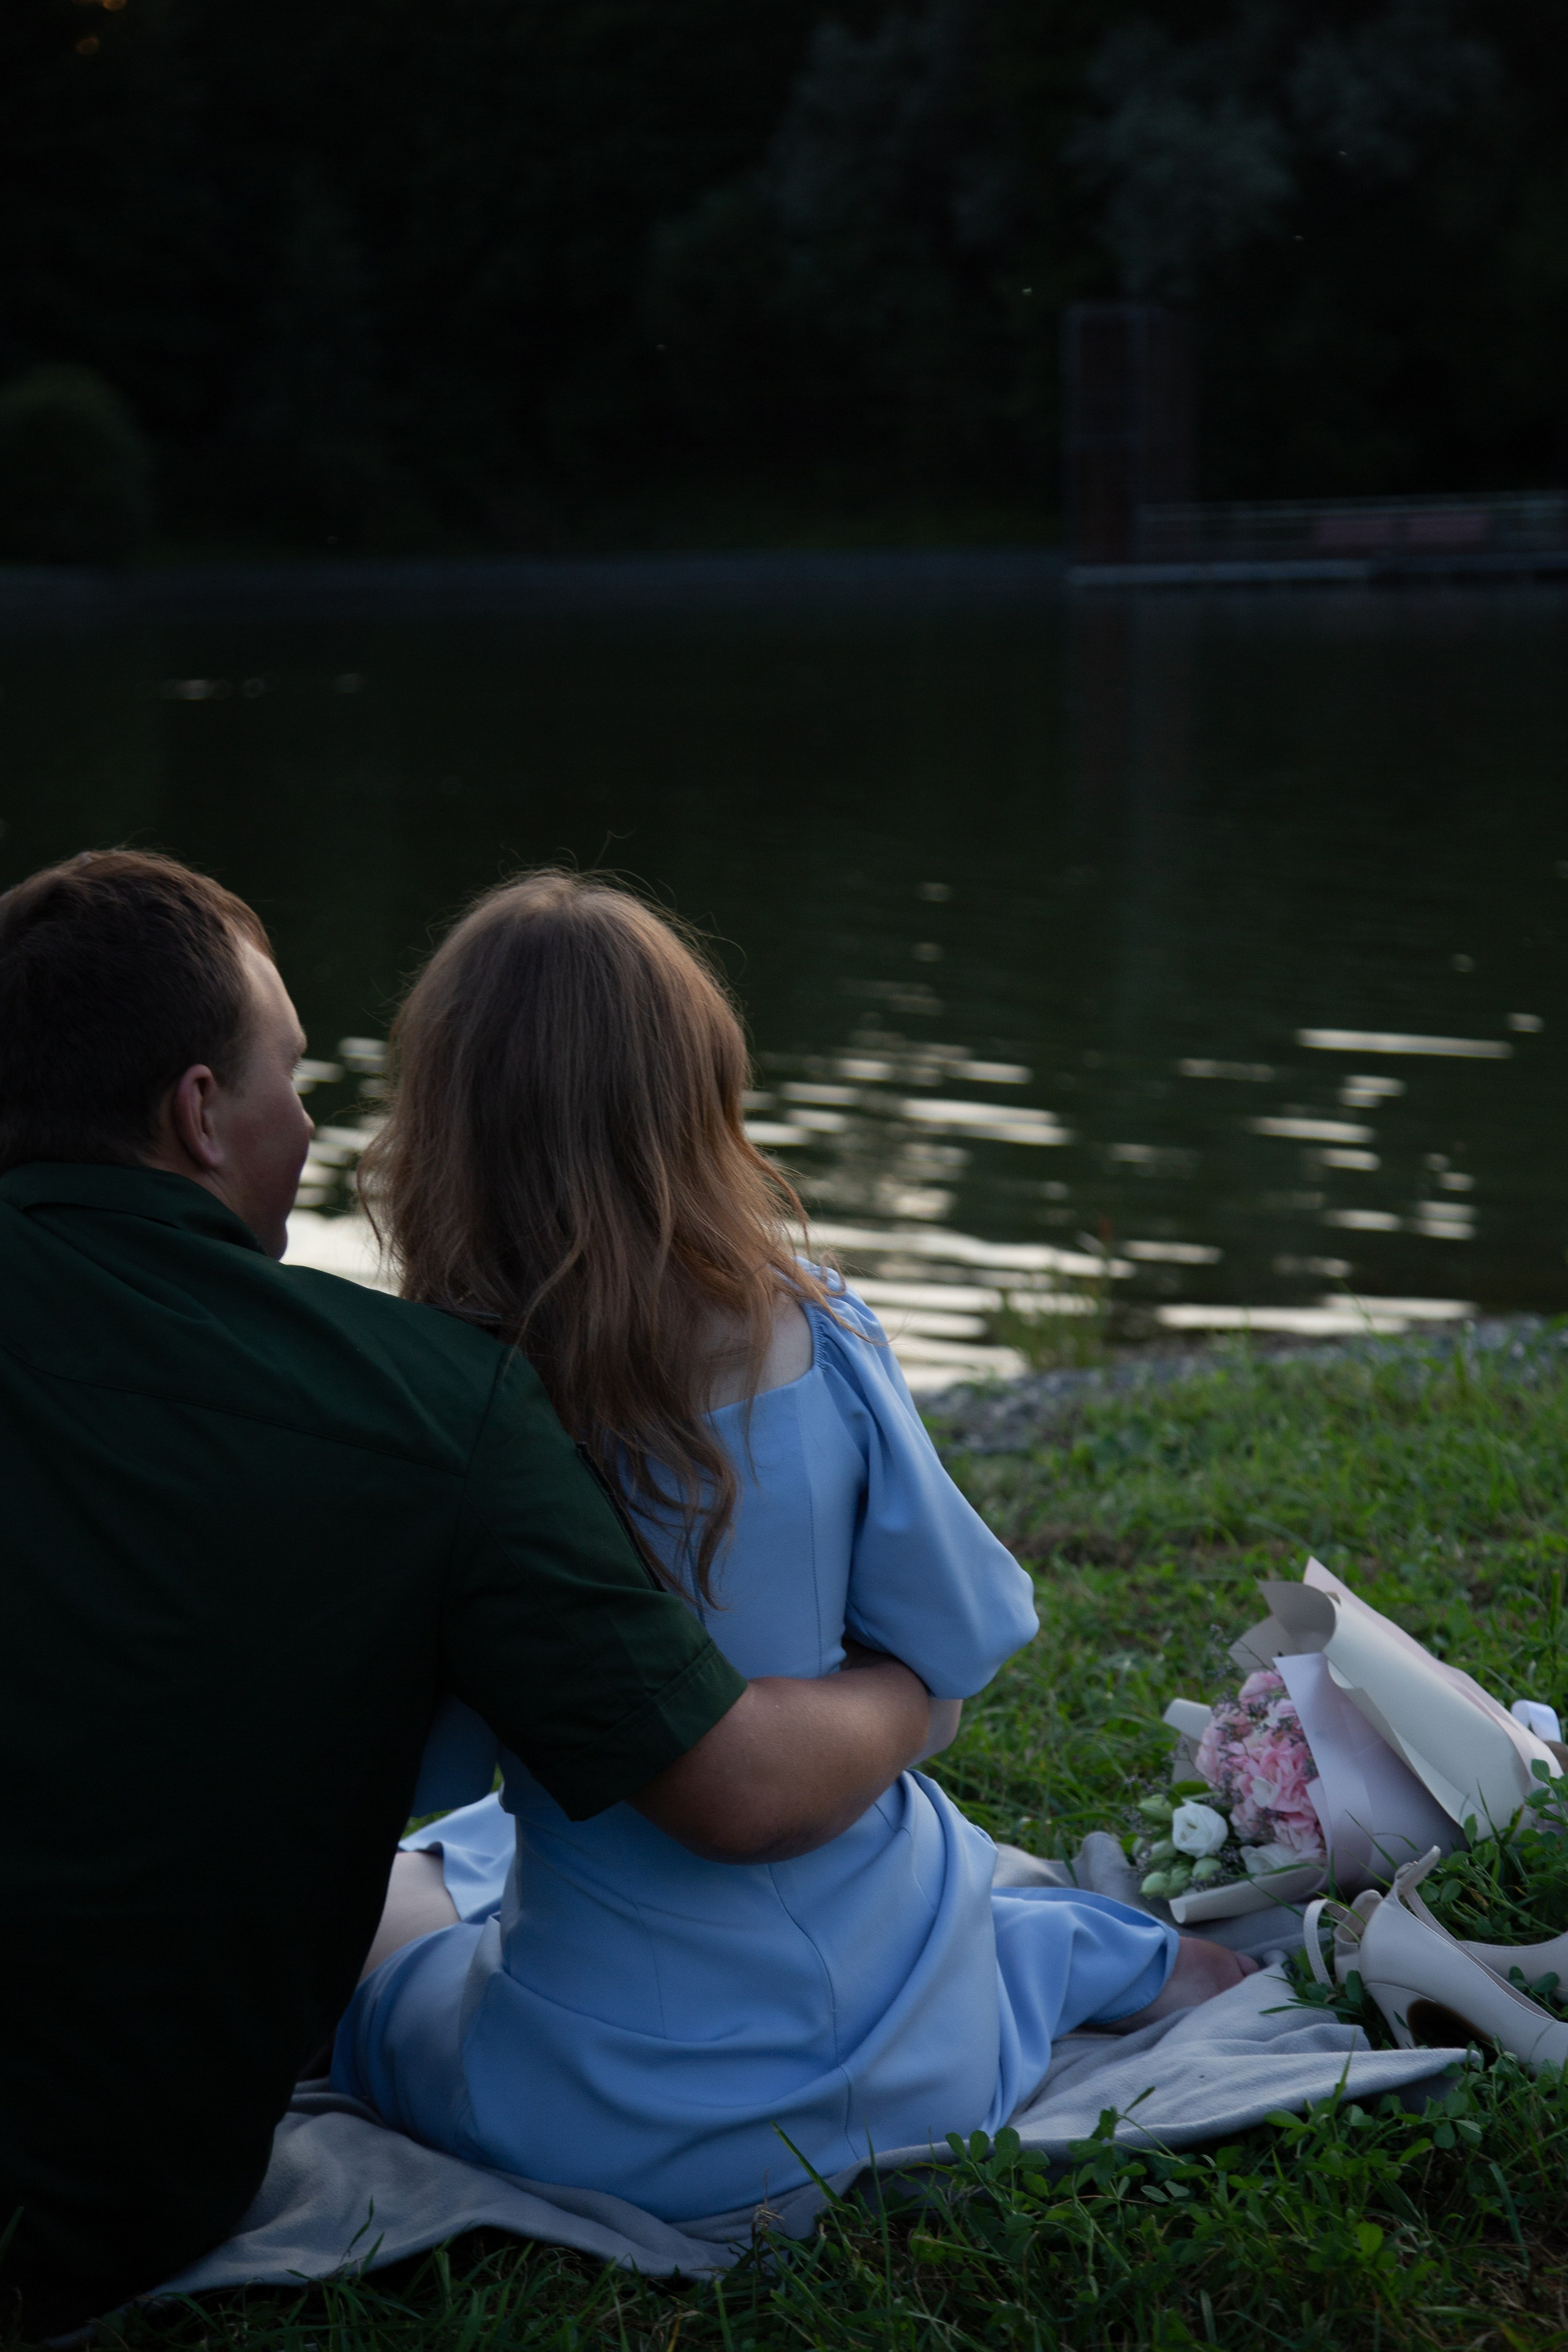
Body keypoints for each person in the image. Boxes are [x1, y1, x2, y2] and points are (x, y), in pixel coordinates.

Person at [0, 851, 935, 2337]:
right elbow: (730, 1786)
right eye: (293, 1072)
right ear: (200, 1112)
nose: (315, 1125)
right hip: (82, 2196)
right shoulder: (420, 1406)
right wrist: (911, 1681)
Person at [333, 870, 1253, 2224]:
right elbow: (955, 1652)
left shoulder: (444, 1403)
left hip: (618, 2116)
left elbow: (422, 1764)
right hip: (925, 2049)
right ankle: (1056, 1962)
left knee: (387, 1930)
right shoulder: (818, 1330)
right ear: (704, 1094)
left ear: (442, 1125)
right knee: (893, 1878)